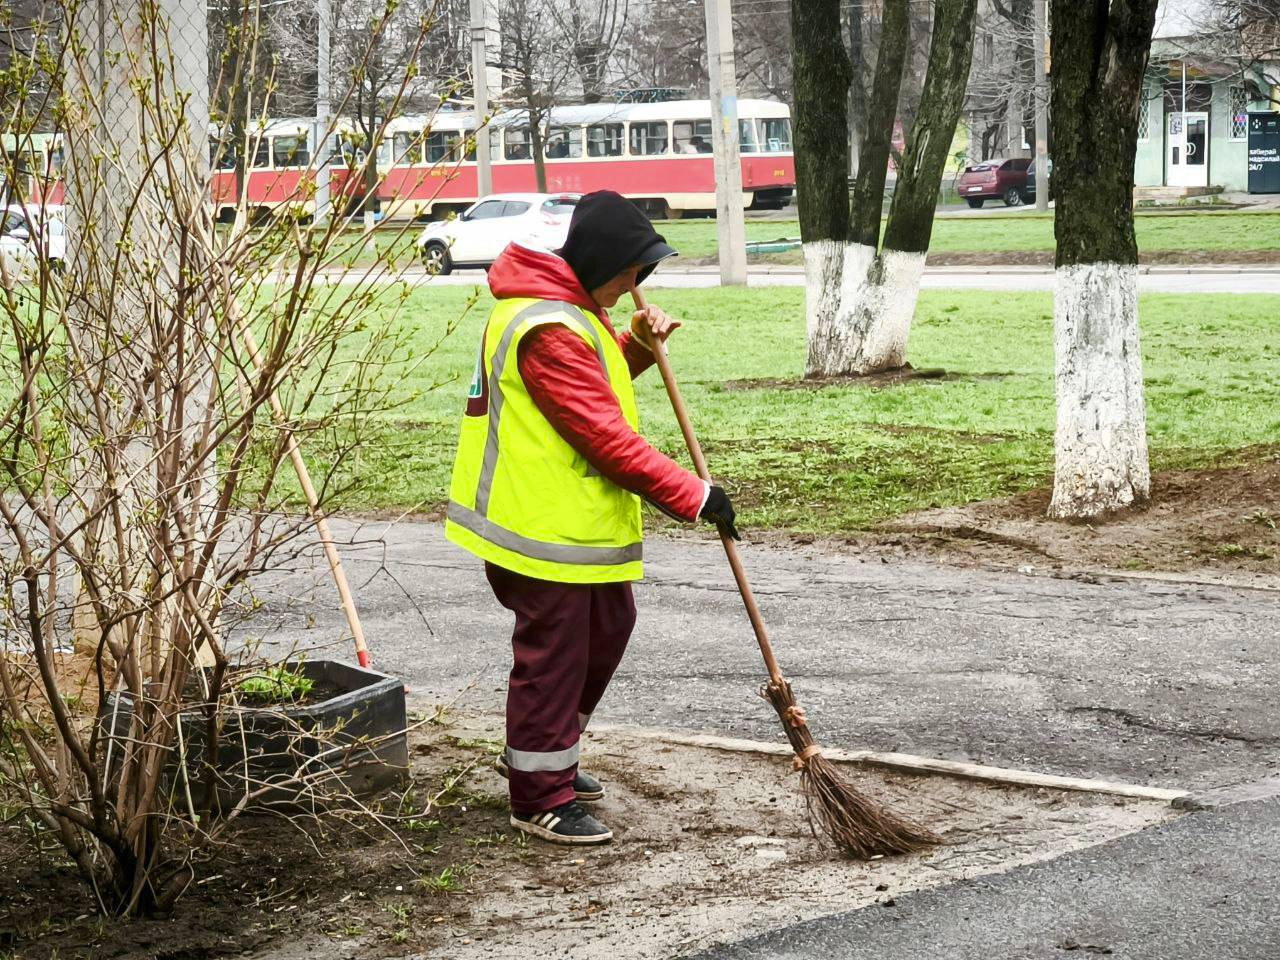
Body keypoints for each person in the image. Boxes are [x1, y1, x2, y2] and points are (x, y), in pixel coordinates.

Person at [445, 190, 738, 845]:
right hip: (538, 525)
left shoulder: (571, 310)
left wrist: (635, 343)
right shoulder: (547, 324)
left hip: (571, 522)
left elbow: (595, 384)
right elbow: (603, 435)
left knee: (610, 623)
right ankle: (539, 795)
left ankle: (542, 747)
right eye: (632, 272)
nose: (636, 284)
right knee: (556, 654)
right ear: (603, 261)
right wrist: (695, 495)